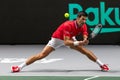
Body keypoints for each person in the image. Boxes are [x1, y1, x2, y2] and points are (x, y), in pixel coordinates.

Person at [11, 11, 109, 72]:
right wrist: (79, 42)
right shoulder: (68, 25)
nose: (84, 21)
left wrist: (84, 39)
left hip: (70, 37)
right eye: (83, 19)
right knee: (42, 55)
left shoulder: (83, 25)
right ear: (78, 18)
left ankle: (102, 65)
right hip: (57, 39)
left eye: (86, 20)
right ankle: (19, 67)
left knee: (84, 51)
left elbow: (85, 34)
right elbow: (66, 42)